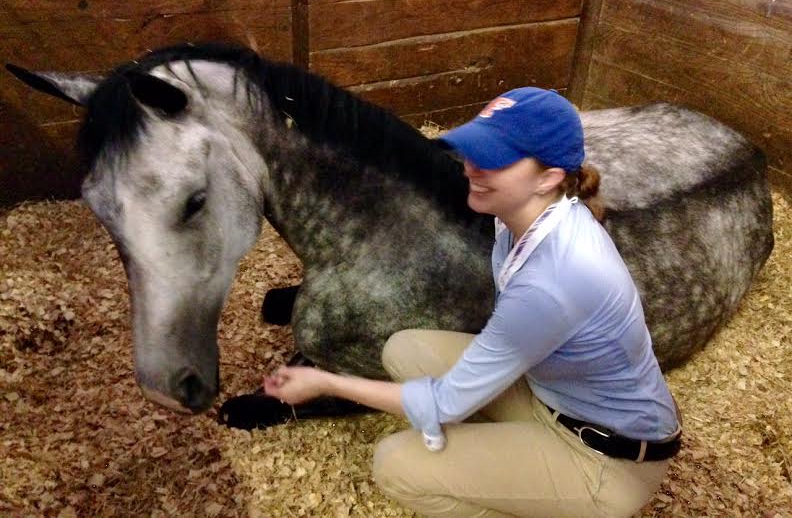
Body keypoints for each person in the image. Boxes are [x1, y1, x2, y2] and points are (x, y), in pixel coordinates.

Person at [262, 87, 682, 518]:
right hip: (553, 397)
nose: (471, 167)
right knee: (404, 349)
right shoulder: (529, 217)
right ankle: (512, 459)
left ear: (549, 177)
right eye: (472, 151)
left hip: (606, 461)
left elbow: (445, 403)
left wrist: (327, 383)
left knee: (395, 465)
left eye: (495, 158)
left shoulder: (553, 281)